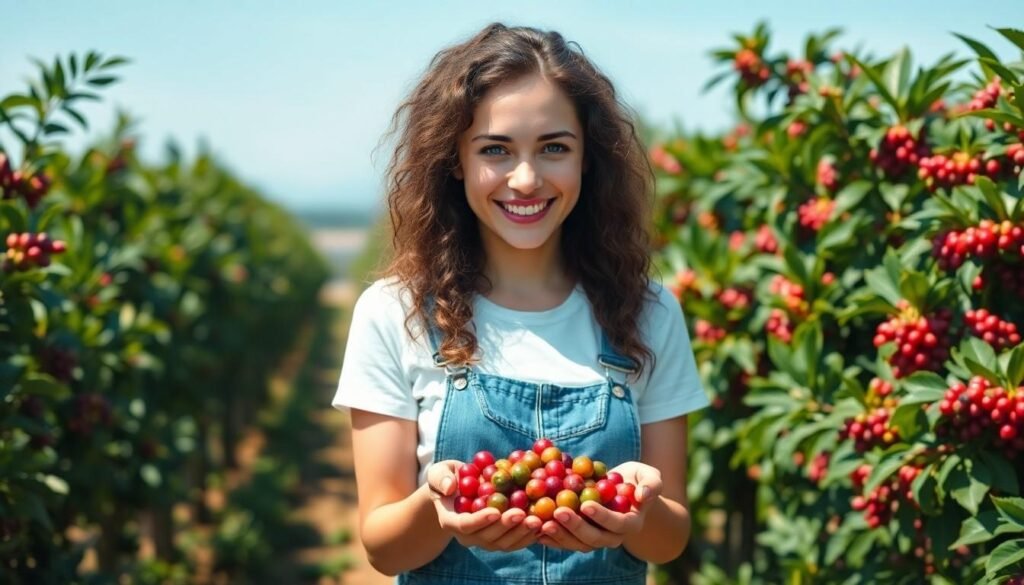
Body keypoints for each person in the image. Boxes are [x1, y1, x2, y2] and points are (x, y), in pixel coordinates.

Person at [333, 22, 709, 584]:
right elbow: (383, 547)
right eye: (496, 150)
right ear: (455, 159)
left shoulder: (649, 313)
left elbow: (670, 538)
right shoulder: (395, 314)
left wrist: (638, 514)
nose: (526, 179)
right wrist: (439, 512)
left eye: (554, 147)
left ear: (588, 157)